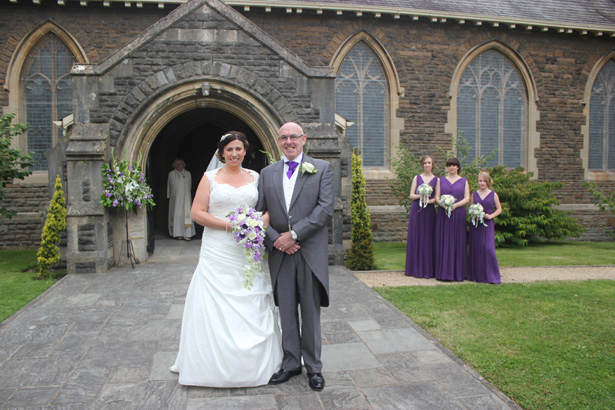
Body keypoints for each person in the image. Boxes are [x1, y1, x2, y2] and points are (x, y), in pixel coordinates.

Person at [170, 131, 283, 387]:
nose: (234, 154)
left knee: (248, 295)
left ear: (245, 152)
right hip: (218, 247)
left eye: (238, 149)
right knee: (215, 299)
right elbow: (197, 213)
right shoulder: (210, 178)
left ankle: (253, 363)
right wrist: (230, 227)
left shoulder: (256, 177)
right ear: (221, 153)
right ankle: (209, 363)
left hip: (245, 249)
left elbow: (267, 209)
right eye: (229, 149)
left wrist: (256, 223)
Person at [256, 122, 334, 392]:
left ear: (304, 139)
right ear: (278, 141)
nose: (289, 141)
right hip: (281, 253)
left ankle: (314, 367)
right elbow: (259, 214)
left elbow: (325, 210)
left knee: (310, 312)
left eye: (294, 137)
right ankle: (290, 364)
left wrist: (295, 235)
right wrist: (277, 239)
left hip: (309, 252)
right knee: (286, 310)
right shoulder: (266, 173)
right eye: (284, 137)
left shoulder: (321, 168)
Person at [434, 157, 470, 281]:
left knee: (457, 240)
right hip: (443, 214)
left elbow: (467, 198)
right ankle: (443, 272)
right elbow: (437, 197)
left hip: (458, 213)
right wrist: (443, 204)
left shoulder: (464, 181)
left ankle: (457, 272)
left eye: (454, 165)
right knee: (444, 240)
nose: (451, 167)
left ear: (458, 167)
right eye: (449, 165)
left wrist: (455, 205)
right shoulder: (441, 180)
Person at [405, 155, 438, 278]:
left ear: (432, 165)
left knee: (428, 237)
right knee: (416, 236)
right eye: (425, 163)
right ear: (422, 165)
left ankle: (428, 268)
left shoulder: (437, 180)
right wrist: (421, 195)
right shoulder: (417, 178)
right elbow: (411, 195)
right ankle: (414, 268)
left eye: (429, 162)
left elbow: (437, 198)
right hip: (417, 210)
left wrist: (428, 201)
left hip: (429, 211)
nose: (427, 165)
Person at [467, 171, 503, 284]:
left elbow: (499, 209)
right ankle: (477, 275)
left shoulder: (493, 194)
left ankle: (491, 275)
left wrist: (490, 216)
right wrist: (474, 213)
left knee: (488, 248)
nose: (482, 183)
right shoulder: (474, 194)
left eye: (484, 181)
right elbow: (470, 208)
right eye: (480, 181)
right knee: (476, 248)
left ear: (488, 182)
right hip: (476, 225)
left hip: (487, 224)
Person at [167, 158, 195, 240]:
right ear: (174, 165)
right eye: (177, 164)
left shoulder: (187, 174)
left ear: (183, 165)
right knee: (177, 215)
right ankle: (178, 233)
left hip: (185, 198)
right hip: (175, 199)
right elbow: (169, 186)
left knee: (185, 215)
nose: (179, 166)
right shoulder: (171, 174)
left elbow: (190, 186)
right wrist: (169, 196)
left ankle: (187, 234)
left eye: (180, 164)